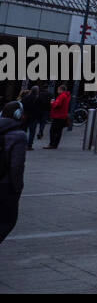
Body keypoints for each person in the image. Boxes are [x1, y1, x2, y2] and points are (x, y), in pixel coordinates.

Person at [0, 100, 27, 243]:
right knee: (7, 221)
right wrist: (17, 188)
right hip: (5, 185)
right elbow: (17, 165)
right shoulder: (18, 135)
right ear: (18, 115)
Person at [45, 84, 71, 149]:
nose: (57, 91)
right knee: (59, 131)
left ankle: (52, 144)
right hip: (63, 116)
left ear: (61, 90)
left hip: (58, 116)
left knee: (53, 130)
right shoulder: (67, 96)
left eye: (58, 89)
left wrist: (52, 103)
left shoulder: (61, 96)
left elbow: (57, 105)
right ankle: (55, 144)